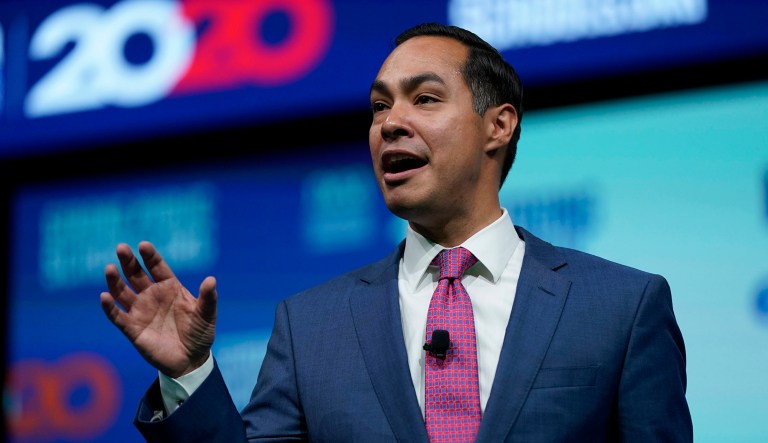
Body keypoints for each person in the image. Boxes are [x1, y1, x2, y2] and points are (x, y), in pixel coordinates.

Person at [100, 22, 693, 442]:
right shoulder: (311, 329)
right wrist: (188, 374)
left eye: (425, 98)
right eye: (379, 107)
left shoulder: (620, 307)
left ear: (499, 126)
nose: (390, 124)